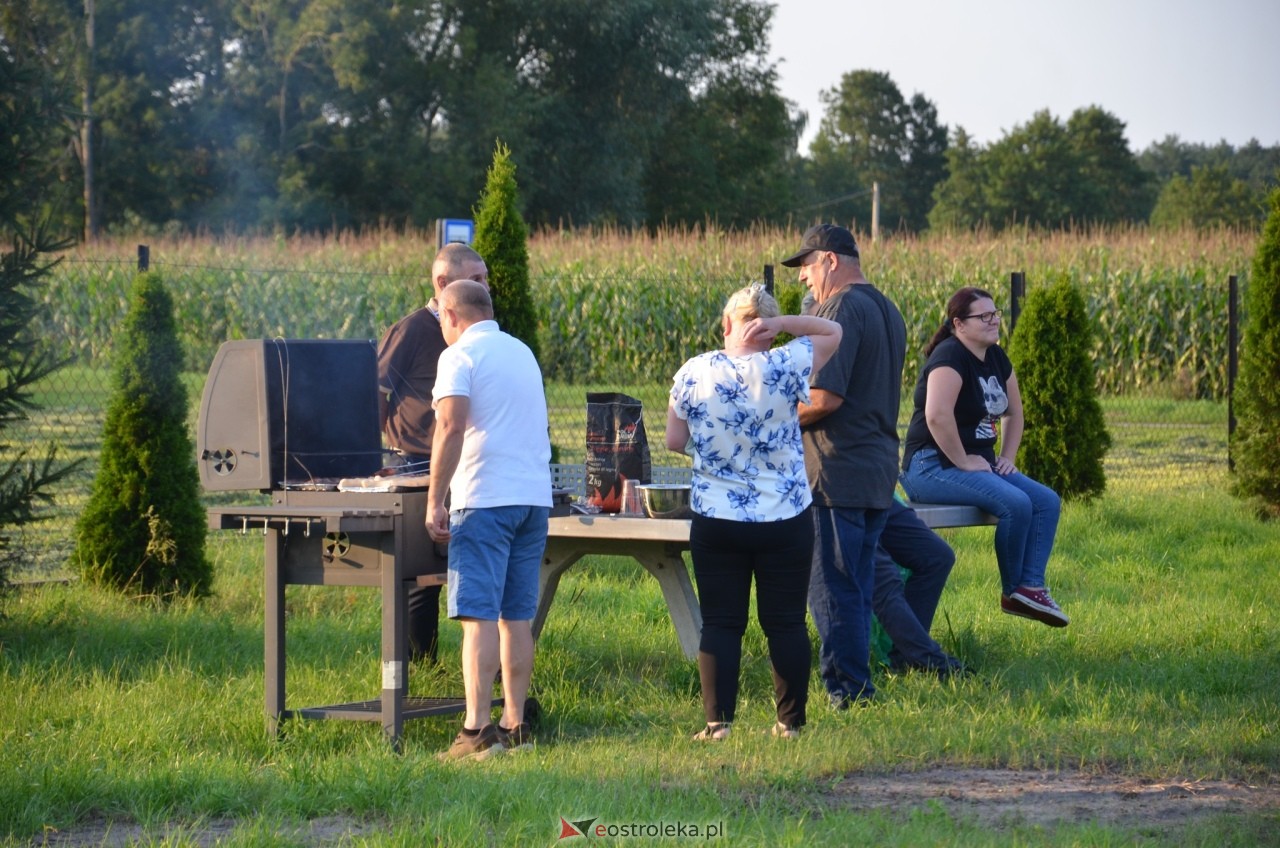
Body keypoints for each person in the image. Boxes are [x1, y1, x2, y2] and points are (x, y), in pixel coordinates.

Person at [665, 283, 842, 741]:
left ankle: (717, 724)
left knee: (722, 621)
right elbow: (833, 331)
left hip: (717, 515)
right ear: (766, 330)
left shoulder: (694, 371)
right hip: (785, 515)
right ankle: (790, 724)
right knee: (784, 621)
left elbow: (674, 441)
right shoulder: (786, 362)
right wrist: (784, 326)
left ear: (727, 324)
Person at [425, 279, 552, 761]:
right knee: (515, 618)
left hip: (484, 499)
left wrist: (435, 499)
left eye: (441, 318)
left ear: (452, 315)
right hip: (532, 499)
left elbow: (451, 425)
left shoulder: (458, 356)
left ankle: (476, 732)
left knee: (477, 619)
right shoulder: (521, 352)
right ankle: (514, 725)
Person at [782, 223, 907, 709]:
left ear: (830, 260)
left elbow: (825, 397)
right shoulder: (885, 308)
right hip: (876, 468)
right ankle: (859, 687)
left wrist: (769, 421)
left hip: (836, 471)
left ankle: (845, 691)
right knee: (855, 585)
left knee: (832, 587)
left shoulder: (839, 309)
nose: (802, 279)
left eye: (807, 266)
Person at [898, 286, 1068, 627]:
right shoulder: (949, 357)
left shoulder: (996, 358)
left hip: (978, 464)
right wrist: (962, 460)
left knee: (1046, 501)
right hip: (930, 466)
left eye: (996, 314)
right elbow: (936, 415)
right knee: (1017, 504)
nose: (994, 321)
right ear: (959, 324)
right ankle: (1013, 592)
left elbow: (1014, 414)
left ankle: (1030, 586)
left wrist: (1007, 456)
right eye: (984, 316)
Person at [376, 243, 489, 664]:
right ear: (443, 284)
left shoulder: (482, 329)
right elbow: (376, 391)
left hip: (471, 461)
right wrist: (388, 441)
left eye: (485, 278)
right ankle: (421, 665)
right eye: (475, 280)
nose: (485, 287)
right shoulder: (409, 330)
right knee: (421, 577)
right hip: (418, 462)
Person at [874, 499, 966, 678]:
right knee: (884, 579)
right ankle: (929, 660)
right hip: (834, 498)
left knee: (937, 556)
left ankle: (903, 660)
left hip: (876, 491)